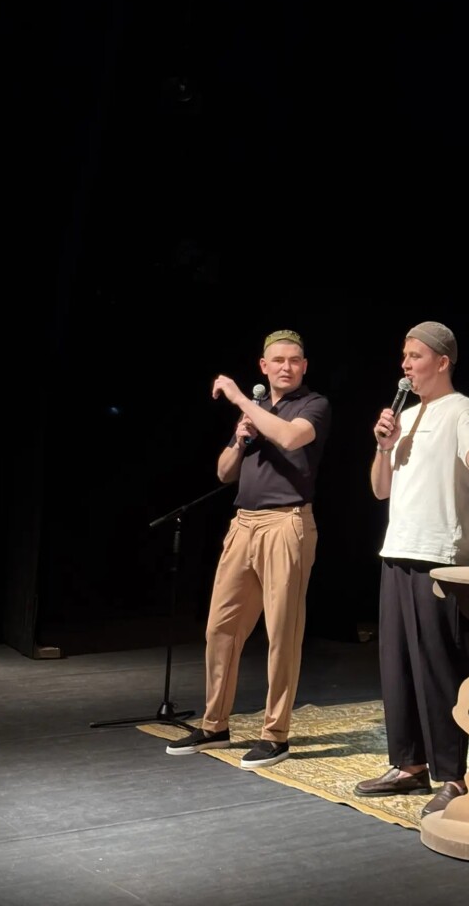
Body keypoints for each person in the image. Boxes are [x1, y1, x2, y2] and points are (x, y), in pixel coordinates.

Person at [353, 321, 469, 816]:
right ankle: (408, 764)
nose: (405, 364)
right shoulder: (405, 415)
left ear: (442, 361)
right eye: (404, 356)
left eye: (416, 356)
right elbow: (380, 489)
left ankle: (453, 776)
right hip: (398, 550)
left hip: (440, 558)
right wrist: (384, 445)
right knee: (397, 665)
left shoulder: (462, 409)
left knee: (437, 667)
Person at [166, 329, 331, 768]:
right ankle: (215, 725)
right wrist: (240, 438)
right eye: (278, 360)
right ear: (264, 366)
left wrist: (242, 399)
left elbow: (291, 439)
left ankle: (276, 734)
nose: (286, 367)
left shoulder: (313, 405)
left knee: (282, 633)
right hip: (243, 525)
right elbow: (224, 473)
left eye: (294, 360)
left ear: (304, 366)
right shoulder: (255, 412)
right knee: (220, 627)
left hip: (285, 523)